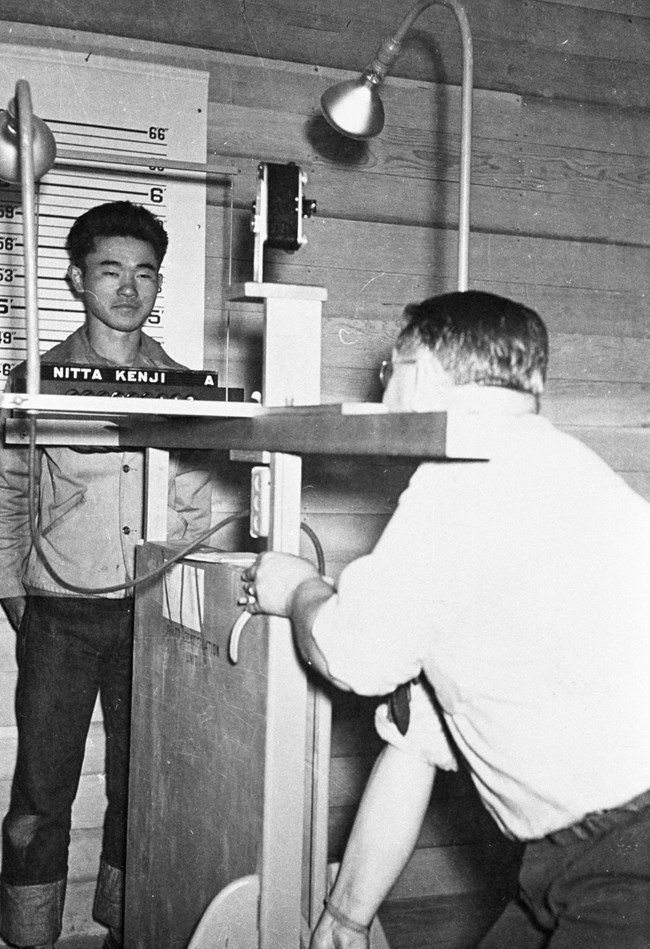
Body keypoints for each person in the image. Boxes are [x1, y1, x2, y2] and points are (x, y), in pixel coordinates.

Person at [241, 290, 650, 949]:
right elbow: (419, 736)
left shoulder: (456, 484)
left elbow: (352, 654)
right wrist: (346, 917)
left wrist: (297, 589)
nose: (385, 390)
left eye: (389, 371)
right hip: (578, 854)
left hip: (624, 855)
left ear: (424, 373)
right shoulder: (572, 471)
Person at [0, 201, 213, 949]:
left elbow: (193, 503)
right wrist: (16, 593)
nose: (129, 287)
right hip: (58, 614)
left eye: (145, 273)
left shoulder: (186, 386)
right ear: (77, 279)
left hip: (150, 614)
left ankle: (127, 929)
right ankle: (29, 938)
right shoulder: (38, 378)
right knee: (40, 791)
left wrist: (179, 600)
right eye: (110, 270)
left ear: (159, 286)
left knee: (141, 786)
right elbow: (8, 494)